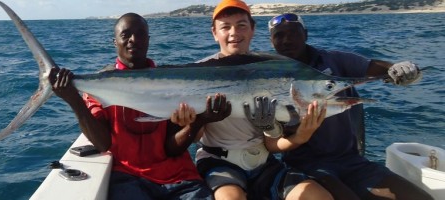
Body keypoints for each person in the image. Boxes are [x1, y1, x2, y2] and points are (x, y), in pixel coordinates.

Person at [48, 13, 218, 200]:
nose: (133, 40)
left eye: (140, 34)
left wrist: (197, 122)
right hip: (129, 178)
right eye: (125, 34)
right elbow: (102, 144)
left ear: (148, 40)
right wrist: (74, 100)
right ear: (115, 42)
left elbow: (172, 149)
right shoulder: (99, 86)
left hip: (181, 179)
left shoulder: (171, 81)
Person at [267, 13, 433, 200]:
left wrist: (402, 70)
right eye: (279, 35)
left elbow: (377, 69)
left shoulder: (334, 60)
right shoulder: (267, 74)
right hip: (305, 167)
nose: (287, 40)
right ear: (271, 41)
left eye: (293, 33)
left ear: (306, 34)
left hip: (352, 162)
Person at [179, 1, 334, 200]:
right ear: (214, 33)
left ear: (253, 29)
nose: (234, 32)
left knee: (318, 196)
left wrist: (301, 134)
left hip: (263, 161)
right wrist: (198, 120)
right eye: (225, 27)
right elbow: (195, 136)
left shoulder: (272, 70)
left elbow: (271, 144)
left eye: (241, 25)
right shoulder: (197, 73)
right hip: (218, 162)